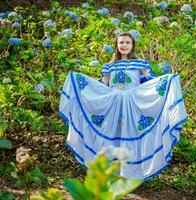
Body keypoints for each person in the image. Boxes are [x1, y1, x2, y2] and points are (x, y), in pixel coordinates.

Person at [59, 32, 188, 181]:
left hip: (131, 104)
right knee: (113, 134)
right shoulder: (109, 66)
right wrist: (85, 88)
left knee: (130, 134)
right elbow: (104, 86)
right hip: (113, 104)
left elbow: (149, 78)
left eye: (127, 42)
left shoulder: (140, 63)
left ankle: (129, 173)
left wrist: (167, 80)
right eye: (121, 42)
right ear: (116, 45)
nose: (124, 45)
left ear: (132, 45)